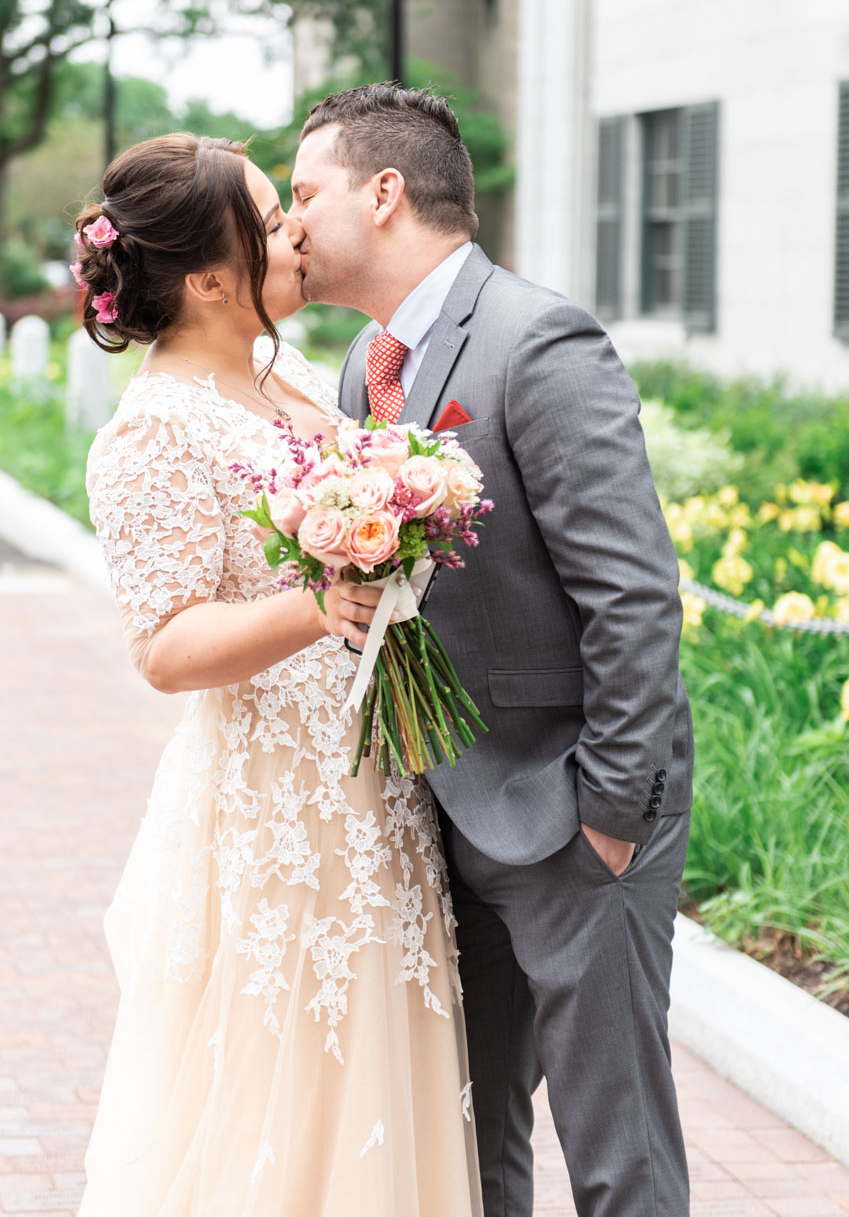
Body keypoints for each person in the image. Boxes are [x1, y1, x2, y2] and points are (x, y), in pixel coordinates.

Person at [289, 83, 694, 1217]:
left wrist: (610, 809)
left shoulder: (535, 338)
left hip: (569, 813)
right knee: (471, 1151)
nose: (290, 224)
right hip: (435, 810)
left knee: (616, 1158)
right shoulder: (360, 366)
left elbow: (629, 594)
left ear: (384, 192)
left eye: (304, 193)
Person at [74, 132, 483, 1217]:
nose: (292, 230)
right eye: (267, 220)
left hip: (367, 790)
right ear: (210, 278)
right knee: (279, 1096)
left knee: (380, 1091)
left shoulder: (288, 370)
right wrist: (318, 603)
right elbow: (162, 647)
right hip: (273, 814)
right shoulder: (150, 436)